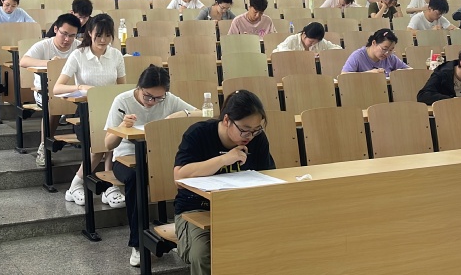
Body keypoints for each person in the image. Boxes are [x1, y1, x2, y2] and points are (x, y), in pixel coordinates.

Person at [105, 65, 202, 266]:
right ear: (139, 87)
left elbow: (201, 113)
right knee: (136, 178)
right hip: (125, 158)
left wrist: (178, 115)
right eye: (148, 96)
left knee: (186, 171)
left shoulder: (169, 99)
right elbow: (108, 144)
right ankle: (138, 243)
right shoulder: (122, 101)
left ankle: (183, 234)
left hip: (157, 156)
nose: (152, 102)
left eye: (158, 98)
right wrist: (122, 127)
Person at [173, 90, 275, 275]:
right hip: (197, 210)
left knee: (273, 244)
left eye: (256, 129)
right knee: (203, 254)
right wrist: (223, 160)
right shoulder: (199, 133)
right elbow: (179, 176)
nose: (250, 136)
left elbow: (268, 176)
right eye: (244, 129)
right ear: (227, 120)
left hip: (242, 209)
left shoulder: (257, 139)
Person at [53, 14, 126, 208]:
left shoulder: (116, 55)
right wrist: (80, 87)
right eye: (99, 35)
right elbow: (57, 88)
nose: (103, 40)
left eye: (108, 35)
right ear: (89, 34)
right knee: (101, 146)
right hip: (86, 112)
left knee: (113, 141)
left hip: (111, 110)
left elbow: (122, 89)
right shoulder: (78, 55)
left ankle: (110, 186)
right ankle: (76, 185)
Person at [20, 13, 82, 167]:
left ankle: (93, 147)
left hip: (73, 91)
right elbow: (24, 61)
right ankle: (44, 147)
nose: (67, 39)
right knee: (54, 105)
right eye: (64, 34)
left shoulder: (79, 46)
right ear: (55, 29)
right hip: (44, 91)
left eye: (72, 35)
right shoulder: (44, 45)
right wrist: (49, 63)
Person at [341, 29, 409, 76]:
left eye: (391, 50)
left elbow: (409, 70)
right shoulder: (357, 56)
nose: (387, 53)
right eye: (384, 49)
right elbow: (344, 76)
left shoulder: (390, 57)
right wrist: (368, 74)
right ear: (374, 43)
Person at [273, 22, 341, 54]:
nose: (313, 44)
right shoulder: (293, 39)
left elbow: (338, 49)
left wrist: (323, 54)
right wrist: (300, 55)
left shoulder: (319, 42)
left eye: (316, 42)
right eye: (311, 41)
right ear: (304, 35)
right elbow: (278, 50)